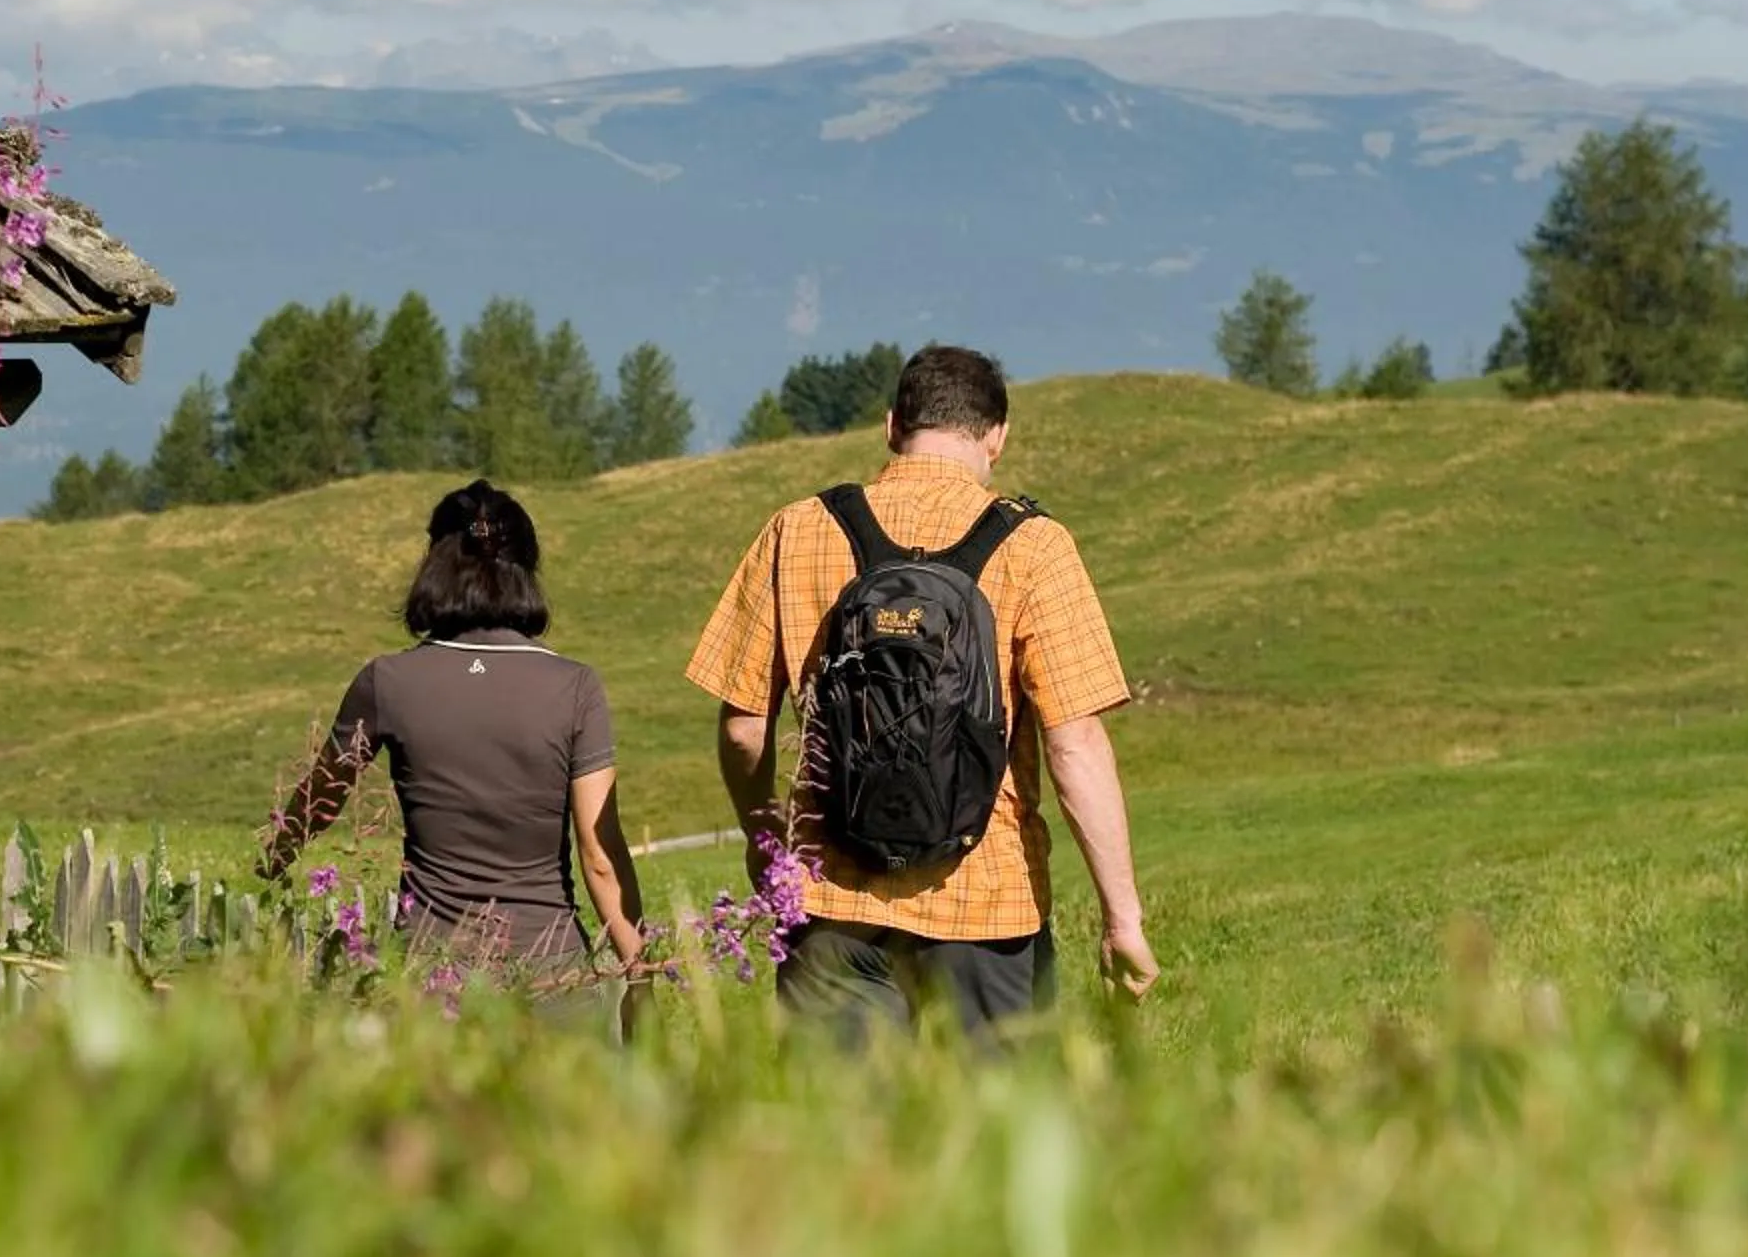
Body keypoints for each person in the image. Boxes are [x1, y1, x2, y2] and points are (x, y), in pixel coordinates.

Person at [683, 343, 1157, 1047]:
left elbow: (743, 727)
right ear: (996, 437)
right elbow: (1075, 743)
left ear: (891, 426)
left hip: (830, 902)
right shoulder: (1035, 547)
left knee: (839, 1146)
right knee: (988, 1148)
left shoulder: (800, 528)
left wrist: (768, 839)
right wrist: (1123, 920)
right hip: (987, 909)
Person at [261, 480, 647, 983]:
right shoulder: (575, 687)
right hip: (551, 968)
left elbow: (320, 801)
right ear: (526, 568)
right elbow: (599, 855)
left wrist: (275, 859)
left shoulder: (386, 681)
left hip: (431, 972)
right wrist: (642, 974)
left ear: (434, 566)